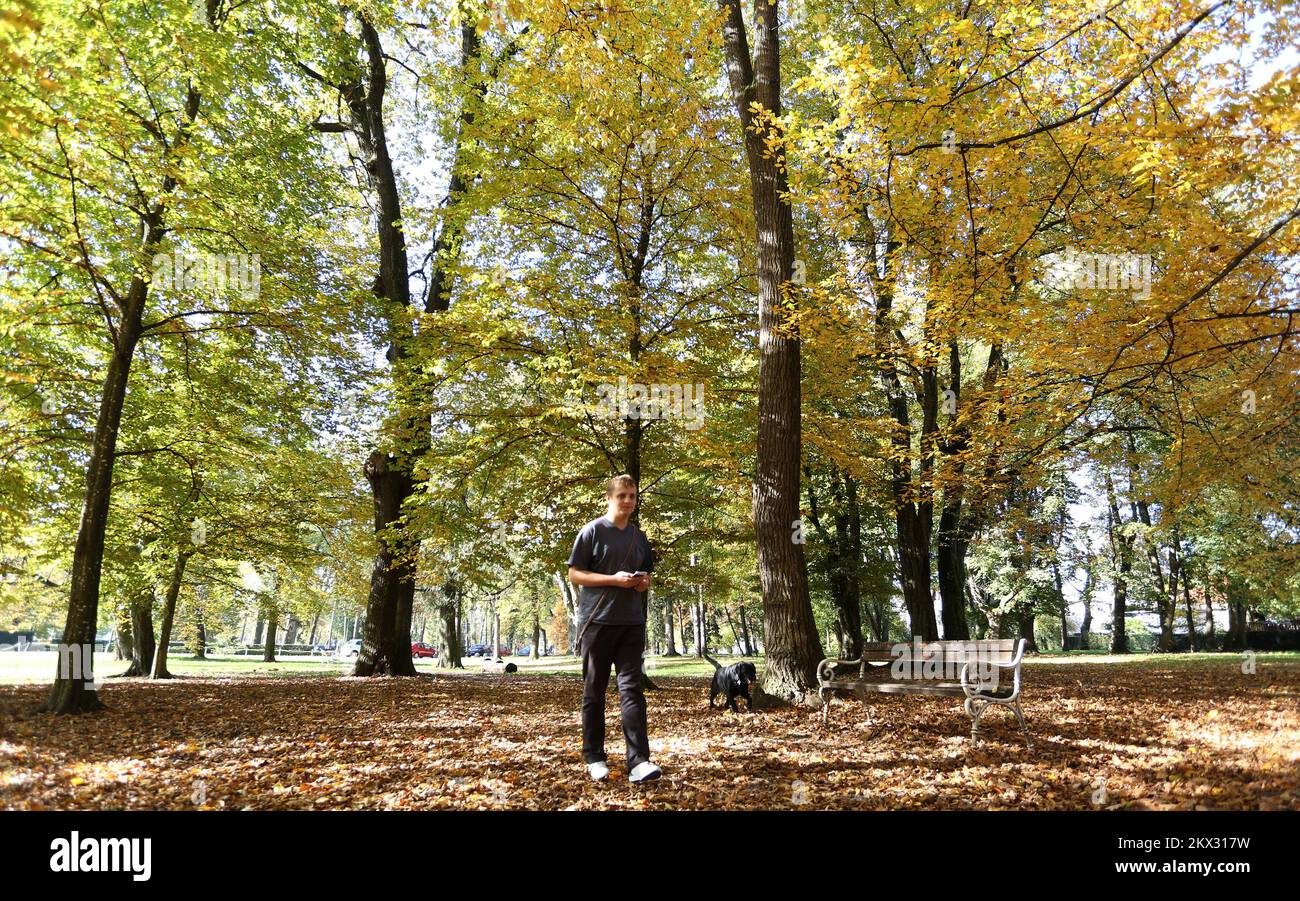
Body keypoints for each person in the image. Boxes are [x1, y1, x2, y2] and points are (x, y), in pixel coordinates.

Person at [567, 474, 661, 783]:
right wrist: (612, 579)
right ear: (609, 498)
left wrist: (640, 583)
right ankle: (594, 757)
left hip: (631, 623)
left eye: (632, 496)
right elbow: (575, 575)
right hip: (597, 623)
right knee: (594, 691)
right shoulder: (592, 532)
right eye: (622, 495)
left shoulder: (639, 536)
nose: (628, 501)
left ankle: (639, 762)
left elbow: (645, 579)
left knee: (632, 691)